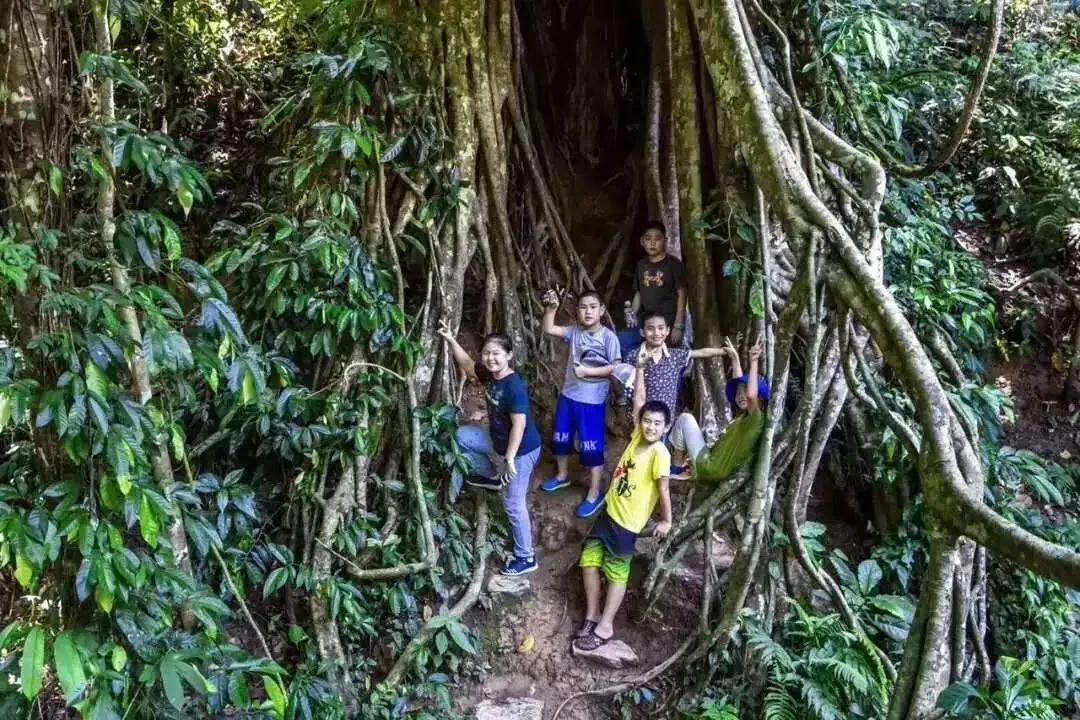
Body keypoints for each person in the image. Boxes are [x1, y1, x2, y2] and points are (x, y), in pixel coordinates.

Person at [439, 324, 544, 576]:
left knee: (513, 502)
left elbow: (519, 423)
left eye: (496, 353)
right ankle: (491, 477)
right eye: (487, 353)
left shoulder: (513, 385)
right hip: (499, 443)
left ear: (508, 355)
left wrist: (509, 458)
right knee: (462, 436)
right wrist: (451, 339)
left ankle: (526, 557)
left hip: (521, 451)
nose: (490, 358)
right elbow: (467, 364)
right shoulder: (488, 375)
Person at [573, 399, 673, 652]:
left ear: (666, 427)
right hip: (609, 513)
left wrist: (666, 520)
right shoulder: (638, 435)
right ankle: (592, 615)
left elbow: (663, 489)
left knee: (617, 572)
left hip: (627, 524)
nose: (651, 427)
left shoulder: (660, 452)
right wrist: (639, 367)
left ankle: (605, 626)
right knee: (588, 560)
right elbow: (640, 400)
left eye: (657, 423)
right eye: (647, 421)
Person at [540, 288, 622, 518]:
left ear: (602, 311)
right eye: (583, 307)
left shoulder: (609, 338)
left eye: (593, 307)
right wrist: (551, 309)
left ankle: (594, 494)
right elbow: (549, 328)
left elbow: (616, 367)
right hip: (568, 396)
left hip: (592, 402)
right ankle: (562, 475)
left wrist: (588, 371)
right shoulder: (574, 332)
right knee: (561, 438)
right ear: (577, 311)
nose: (588, 312)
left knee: (591, 447)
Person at [668, 338, 768, 482]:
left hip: (710, 468)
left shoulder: (756, 419)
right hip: (713, 466)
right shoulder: (742, 417)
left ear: (760, 397)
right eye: (739, 392)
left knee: (685, 419)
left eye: (746, 391)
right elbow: (739, 382)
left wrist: (754, 362)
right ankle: (683, 468)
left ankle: (676, 469)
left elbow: (751, 396)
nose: (741, 395)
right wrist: (735, 358)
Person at [617, 221, 690, 356]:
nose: (652, 243)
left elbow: (682, 294)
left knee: (668, 357)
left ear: (665, 241)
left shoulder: (674, 264)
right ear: (642, 241)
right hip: (645, 320)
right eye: (648, 238)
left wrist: (679, 325)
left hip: (668, 322)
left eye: (657, 238)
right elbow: (639, 293)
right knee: (620, 341)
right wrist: (632, 314)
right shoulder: (641, 265)